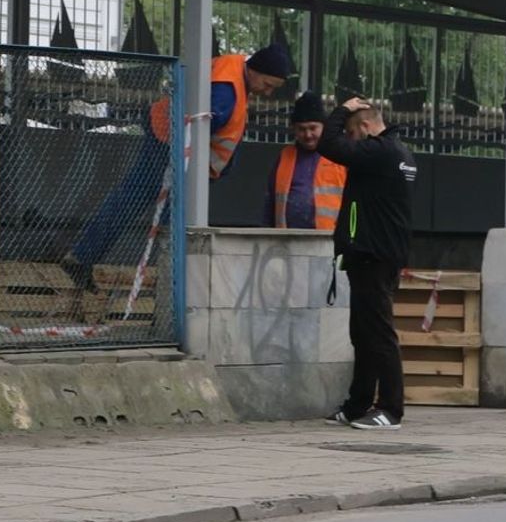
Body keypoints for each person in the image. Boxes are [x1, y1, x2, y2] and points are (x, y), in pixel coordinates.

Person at [63, 45, 290, 291]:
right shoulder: (225, 92)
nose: (267, 93)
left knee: (136, 200)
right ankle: (170, 283)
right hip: (170, 143)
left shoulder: (233, 67)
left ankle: (85, 256)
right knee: (168, 215)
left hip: (167, 135)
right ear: (255, 70)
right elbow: (199, 128)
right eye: (267, 85)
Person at [317, 96, 417, 430]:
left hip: (374, 255)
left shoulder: (381, 152)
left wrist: (341, 110)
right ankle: (358, 404)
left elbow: (328, 146)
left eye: (351, 130)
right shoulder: (397, 153)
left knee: (378, 333)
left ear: (363, 126)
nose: (349, 138)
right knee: (363, 333)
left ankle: (390, 408)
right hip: (373, 254)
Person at [264, 91, 347, 229]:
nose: (308, 135)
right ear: (294, 129)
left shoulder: (340, 155)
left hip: (328, 241)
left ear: (324, 127)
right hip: (286, 240)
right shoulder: (285, 156)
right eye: (301, 129)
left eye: (313, 128)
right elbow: (270, 200)